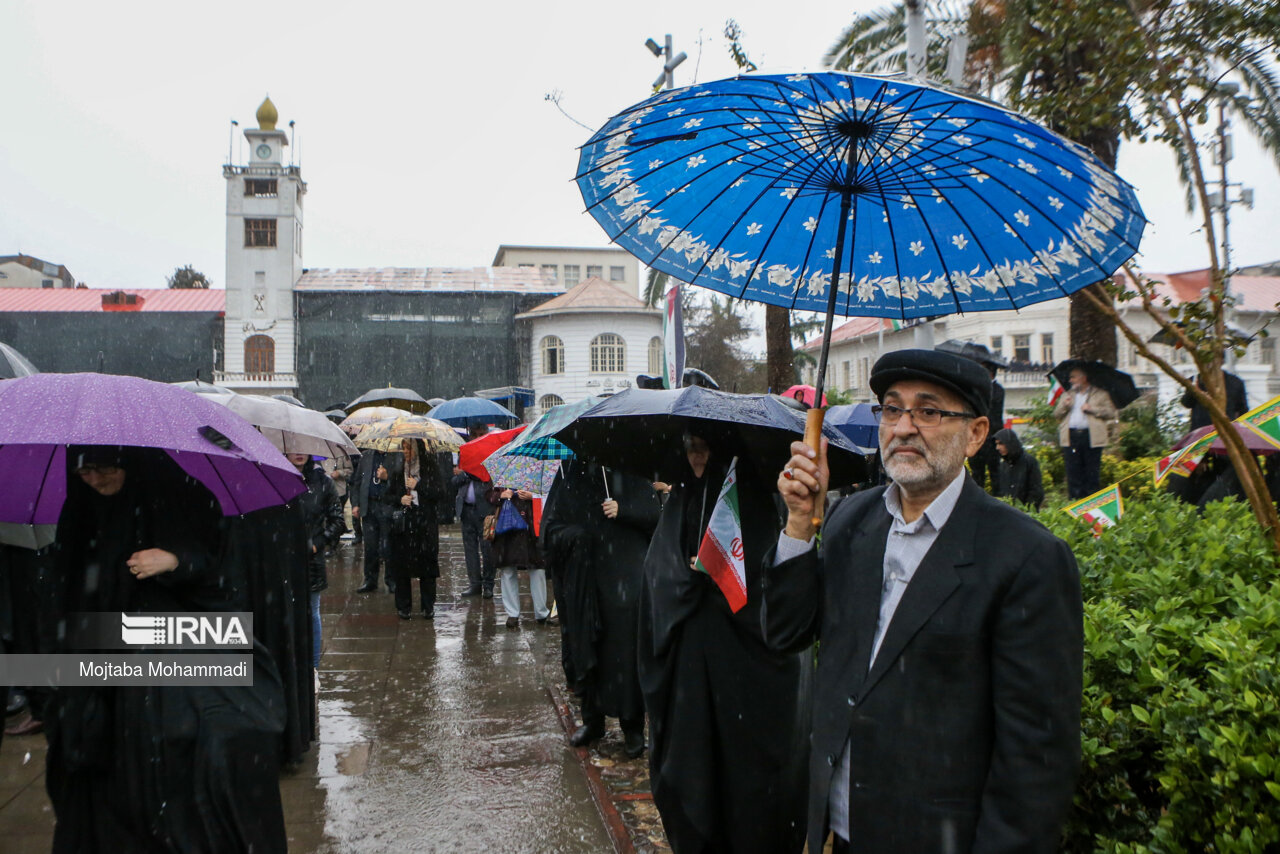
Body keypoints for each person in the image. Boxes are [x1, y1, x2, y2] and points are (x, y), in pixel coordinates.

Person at [767, 349, 1083, 854]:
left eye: (929, 411)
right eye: (892, 409)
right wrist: (800, 523)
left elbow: (1036, 756)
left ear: (976, 434)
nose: (904, 427)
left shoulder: (1027, 558)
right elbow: (786, 631)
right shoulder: (852, 521)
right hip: (841, 828)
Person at [45, 446, 287, 852]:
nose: (95, 480)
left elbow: (219, 571)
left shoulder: (179, 498)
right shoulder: (80, 508)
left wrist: (176, 561)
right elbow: (65, 585)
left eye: (105, 469)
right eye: (84, 473)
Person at [638, 433, 810, 854]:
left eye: (704, 446)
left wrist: (719, 579)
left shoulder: (748, 500)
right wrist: (686, 579)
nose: (696, 455)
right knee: (695, 775)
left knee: (746, 785)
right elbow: (657, 578)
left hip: (744, 674)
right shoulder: (681, 500)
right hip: (691, 674)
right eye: (690, 446)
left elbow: (770, 597)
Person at [540, 461, 659, 757]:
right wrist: (575, 535)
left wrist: (624, 510)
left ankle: (632, 726)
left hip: (623, 583)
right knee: (585, 650)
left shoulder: (630, 469)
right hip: (584, 586)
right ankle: (593, 721)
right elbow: (549, 531)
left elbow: (655, 516)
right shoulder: (568, 473)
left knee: (624, 653)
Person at [286, 453, 344, 668]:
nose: (299, 453)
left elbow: (337, 520)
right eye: (294, 447)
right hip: (282, 559)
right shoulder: (275, 478)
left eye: (304, 448)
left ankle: (312, 668)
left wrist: (317, 543)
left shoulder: (323, 482)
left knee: (311, 612)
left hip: (311, 560)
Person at [383, 438, 446, 619]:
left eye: (409, 448)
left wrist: (419, 486)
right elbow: (388, 496)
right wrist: (400, 499)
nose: (406, 452)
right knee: (402, 566)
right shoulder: (398, 470)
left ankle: (428, 606)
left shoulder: (430, 468)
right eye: (403, 448)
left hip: (425, 523)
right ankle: (404, 606)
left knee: (427, 565)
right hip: (404, 525)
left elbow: (440, 492)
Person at [486, 486, 548, 628]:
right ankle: (512, 614)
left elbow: (551, 497)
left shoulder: (540, 472)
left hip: (533, 530)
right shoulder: (501, 473)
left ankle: (541, 612)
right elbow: (488, 495)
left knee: (538, 570)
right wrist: (501, 495)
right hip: (507, 529)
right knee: (507, 571)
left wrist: (534, 497)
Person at [1054, 366, 1117, 499]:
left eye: (1074, 377)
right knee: (1073, 471)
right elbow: (1056, 414)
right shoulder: (1068, 394)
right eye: (1070, 377)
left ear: (1083, 378)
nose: (1070, 380)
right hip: (1071, 436)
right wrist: (1065, 406)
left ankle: (1091, 501)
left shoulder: (1100, 394)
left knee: (1091, 471)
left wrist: (1092, 409)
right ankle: (1074, 501)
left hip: (1091, 436)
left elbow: (1111, 413)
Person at [452, 436, 496, 598]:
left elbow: (486, 478)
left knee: (487, 549)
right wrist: (464, 474)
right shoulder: (463, 457)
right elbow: (454, 481)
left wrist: (467, 473)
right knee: (470, 549)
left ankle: (488, 584)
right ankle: (475, 584)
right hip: (466, 510)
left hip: (484, 510)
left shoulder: (489, 457)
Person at [351, 448, 393, 593]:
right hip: (369, 506)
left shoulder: (395, 455)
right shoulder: (367, 456)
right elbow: (357, 482)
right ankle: (370, 580)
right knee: (370, 546)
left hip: (387, 505)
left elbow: (401, 482)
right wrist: (356, 504)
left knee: (388, 545)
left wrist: (388, 477)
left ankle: (391, 580)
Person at [967, 358, 1005, 493]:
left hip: (992, 437)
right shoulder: (976, 389)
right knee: (977, 473)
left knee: (995, 473)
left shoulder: (997, 390)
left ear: (991, 373)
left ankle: (999, 500)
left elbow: (989, 409)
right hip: (976, 437)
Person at [991, 427, 1045, 509]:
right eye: (997, 444)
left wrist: (1027, 509)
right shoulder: (1004, 465)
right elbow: (1001, 491)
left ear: (1009, 443)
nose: (997, 448)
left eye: (1001, 443)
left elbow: (1036, 491)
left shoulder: (1029, 462)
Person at [1181, 369, 1248, 429]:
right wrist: (1193, 389)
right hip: (1201, 430)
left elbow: (1242, 410)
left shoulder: (1235, 382)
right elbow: (1187, 403)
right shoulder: (1195, 381)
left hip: (1226, 429)